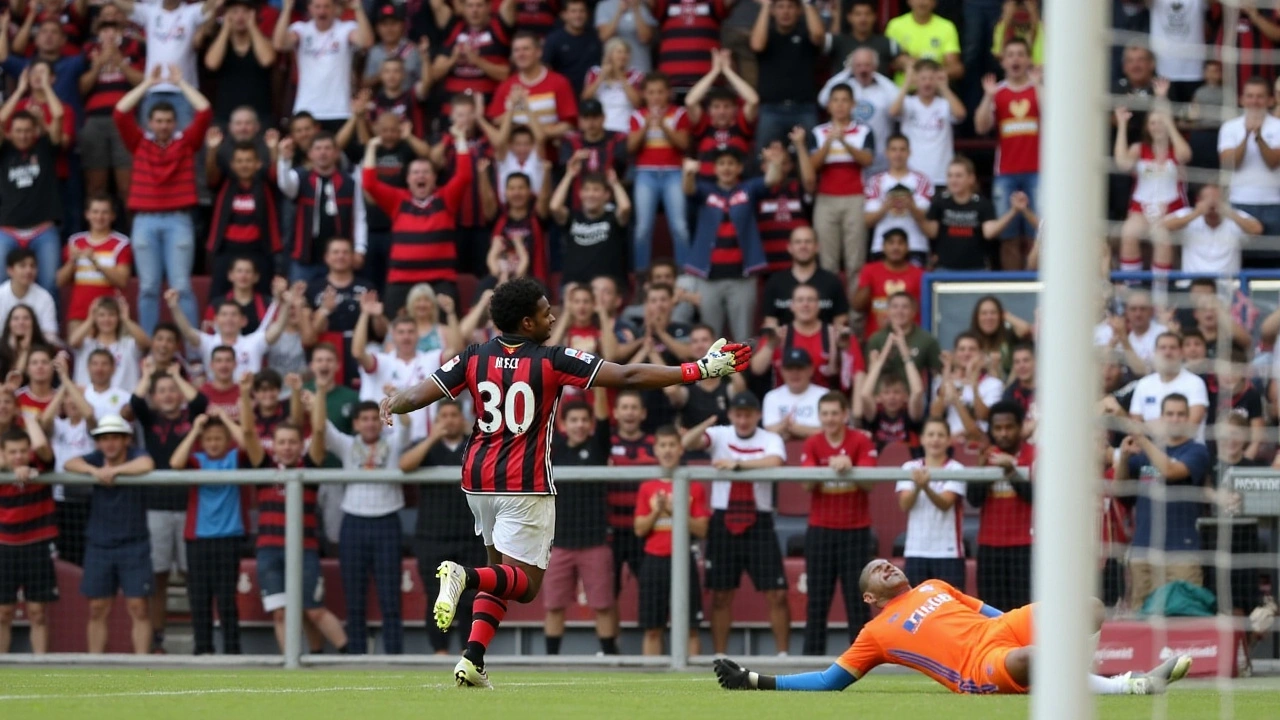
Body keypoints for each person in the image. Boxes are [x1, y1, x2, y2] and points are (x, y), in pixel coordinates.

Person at [380, 276, 752, 687]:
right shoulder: (551, 359)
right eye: (544, 312)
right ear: (526, 323)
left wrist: (393, 401)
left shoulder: (473, 356)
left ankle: (473, 658)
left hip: (477, 479)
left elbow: (420, 394)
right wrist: (696, 369)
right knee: (525, 586)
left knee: (500, 570)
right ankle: (462, 576)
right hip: (525, 483)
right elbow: (627, 376)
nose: (552, 316)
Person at [712, 559, 1194, 695]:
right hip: (976, 667)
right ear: (868, 597)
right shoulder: (875, 634)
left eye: (888, 563)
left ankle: (1068, 675)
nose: (886, 567)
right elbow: (828, 680)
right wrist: (756, 679)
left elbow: (988, 612)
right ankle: (1129, 686)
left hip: (1002, 629)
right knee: (1035, 659)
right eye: (876, 571)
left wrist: (1026, 623)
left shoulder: (934, 584)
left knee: (1087, 605)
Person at [680, 392, 789, 656]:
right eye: (738, 415)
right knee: (720, 594)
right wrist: (704, 425)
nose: (743, 420)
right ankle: (720, 655)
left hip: (758, 519)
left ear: (757, 415)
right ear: (731, 415)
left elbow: (775, 460)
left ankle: (783, 655)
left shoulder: (770, 438)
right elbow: (687, 441)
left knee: (777, 593)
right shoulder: (720, 434)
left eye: (748, 414)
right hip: (723, 519)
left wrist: (738, 465)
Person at [239, 394, 349, 654]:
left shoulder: (308, 468)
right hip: (269, 551)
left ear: (301, 445)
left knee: (314, 610)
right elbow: (246, 431)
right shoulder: (264, 467)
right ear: (274, 446)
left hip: (304, 550)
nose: (287, 447)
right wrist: (244, 395)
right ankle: (293, 665)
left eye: (292, 442)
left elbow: (320, 431)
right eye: (282, 442)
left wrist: (321, 392)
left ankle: (350, 655)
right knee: (280, 614)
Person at [310, 384, 411, 655]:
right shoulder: (346, 444)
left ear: (381, 421)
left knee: (390, 596)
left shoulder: (392, 443)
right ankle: (355, 657)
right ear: (355, 423)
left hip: (387, 522)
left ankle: (394, 657)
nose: (369, 423)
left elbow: (408, 426)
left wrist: (396, 398)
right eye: (363, 419)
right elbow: (321, 428)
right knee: (354, 597)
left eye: (373, 418)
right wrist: (319, 394)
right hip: (353, 523)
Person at [113, 65, 212, 333]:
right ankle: (149, 350)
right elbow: (120, 112)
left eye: (168, 121)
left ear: (175, 123)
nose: (163, 125)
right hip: (144, 221)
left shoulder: (186, 143)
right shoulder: (139, 143)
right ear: (149, 123)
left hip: (178, 220)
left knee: (181, 287)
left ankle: (193, 353)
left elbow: (204, 111)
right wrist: (147, 85)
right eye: (158, 121)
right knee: (147, 288)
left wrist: (181, 84)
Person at [65, 415, 157, 654]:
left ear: (126, 439)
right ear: (98, 442)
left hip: (134, 544)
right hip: (99, 544)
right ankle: (95, 667)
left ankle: (142, 668)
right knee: (97, 607)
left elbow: (147, 464)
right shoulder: (94, 459)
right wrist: (94, 471)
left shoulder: (137, 455)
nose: (110, 444)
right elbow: (70, 463)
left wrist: (114, 471)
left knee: (139, 607)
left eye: (115, 438)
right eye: (104, 439)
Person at [401, 400, 485, 655]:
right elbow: (405, 465)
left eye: (454, 415)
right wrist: (432, 437)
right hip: (432, 537)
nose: (449, 420)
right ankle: (440, 651)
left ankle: (467, 652)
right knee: (438, 597)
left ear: (463, 419)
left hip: (471, 536)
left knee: (470, 599)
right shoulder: (426, 447)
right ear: (437, 420)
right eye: (444, 415)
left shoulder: (475, 445)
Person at [361, 124, 472, 316]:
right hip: (401, 281)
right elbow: (369, 183)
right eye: (416, 173)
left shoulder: (446, 199)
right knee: (393, 330)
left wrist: (460, 139)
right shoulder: (397, 200)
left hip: (441, 280)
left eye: (425, 172)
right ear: (408, 180)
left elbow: (464, 175)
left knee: (448, 332)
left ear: (434, 178)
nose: (420, 176)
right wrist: (371, 147)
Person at [1115, 394, 1212, 609]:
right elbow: (1121, 490)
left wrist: (1143, 440)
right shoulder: (1145, 452)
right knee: (1140, 620)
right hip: (1143, 550)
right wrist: (1123, 457)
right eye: (1170, 414)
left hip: (1181, 552)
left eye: (1180, 414)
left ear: (1188, 419)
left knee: (1183, 617)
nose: (1175, 419)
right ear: (1161, 417)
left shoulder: (1197, 451)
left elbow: (1170, 471)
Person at [799, 392, 877, 656]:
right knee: (817, 603)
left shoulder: (861, 441)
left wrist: (851, 466)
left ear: (845, 415)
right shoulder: (812, 443)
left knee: (858, 603)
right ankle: (810, 663)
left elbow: (870, 482)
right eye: (825, 414)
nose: (830, 419)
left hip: (855, 532)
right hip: (820, 532)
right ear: (819, 417)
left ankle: (863, 660)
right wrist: (827, 470)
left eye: (835, 413)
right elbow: (806, 483)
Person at [168, 413, 250, 655]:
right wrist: (195, 430)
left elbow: (247, 442)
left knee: (227, 600)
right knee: (200, 599)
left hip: (229, 539)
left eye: (219, 439)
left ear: (227, 441)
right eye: (209, 439)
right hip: (198, 540)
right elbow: (175, 462)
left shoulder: (235, 457)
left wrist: (225, 419)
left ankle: (232, 652)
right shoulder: (197, 460)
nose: (214, 443)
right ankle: (202, 650)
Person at [543, 392, 617, 655]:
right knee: (553, 605)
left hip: (594, 541)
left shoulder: (599, 445)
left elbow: (603, 418)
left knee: (603, 604)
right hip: (559, 542)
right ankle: (551, 660)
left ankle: (610, 658)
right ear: (564, 424)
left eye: (584, 420)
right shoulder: (554, 448)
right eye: (574, 420)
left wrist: (596, 384)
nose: (580, 425)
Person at [680, 149, 778, 342]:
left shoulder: (748, 188)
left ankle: (742, 374)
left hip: (742, 277)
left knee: (743, 339)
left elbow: (771, 181)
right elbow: (688, 189)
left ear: (739, 168)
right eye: (722, 164)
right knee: (711, 340)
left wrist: (774, 162)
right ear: (715, 169)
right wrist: (689, 173)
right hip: (709, 278)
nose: (727, 168)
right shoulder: (705, 189)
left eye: (731, 163)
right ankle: (714, 374)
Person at [634, 424, 708, 656]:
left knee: (690, 629)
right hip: (654, 562)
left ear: (680, 449)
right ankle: (649, 687)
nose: (667, 450)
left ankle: (693, 687)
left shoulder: (694, 486)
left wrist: (675, 510)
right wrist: (658, 512)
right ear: (655, 450)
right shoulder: (647, 487)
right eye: (662, 445)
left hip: (684, 561)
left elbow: (702, 529)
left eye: (672, 445)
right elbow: (639, 529)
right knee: (652, 629)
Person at [974, 39, 1040, 270]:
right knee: (1008, 237)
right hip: (1006, 173)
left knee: (1039, 236)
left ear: (1029, 59)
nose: (1015, 59)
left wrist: (1038, 84)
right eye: (1010, 54)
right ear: (1003, 61)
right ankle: (1013, 287)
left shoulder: (1038, 89)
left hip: (1039, 173)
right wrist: (988, 96)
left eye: (1020, 54)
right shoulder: (998, 92)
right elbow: (981, 127)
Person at [968, 402, 1036, 612]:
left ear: (1020, 427)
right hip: (990, 546)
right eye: (998, 428)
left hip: (1025, 545)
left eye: (1009, 427)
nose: (1004, 433)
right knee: (992, 613)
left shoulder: (1035, 455)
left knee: (1025, 611)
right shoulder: (987, 456)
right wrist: (982, 469)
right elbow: (974, 500)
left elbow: (1036, 497)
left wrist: (1012, 471)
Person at [1114, 91, 1191, 274]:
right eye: (1153, 123)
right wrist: (1122, 125)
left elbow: (1186, 155)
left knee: (1161, 237)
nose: (1157, 127)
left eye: (1161, 122)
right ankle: (1131, 286)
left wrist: (1169, 122)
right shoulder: (1139, 148)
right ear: (1147, 127)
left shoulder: (1176, 149)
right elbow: (1122, 163)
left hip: (1171, 208)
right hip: (1141, 207)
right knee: (1128, 232)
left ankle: (1160, 293)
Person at [277, 134, 367, 286]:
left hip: (339, 258)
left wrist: (360, 248)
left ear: (336, 153)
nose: (323, 153)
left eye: (327, 148)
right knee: (300, 302)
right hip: (305, 257)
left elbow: (359, 216)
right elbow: (286, 186)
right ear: (310, 154)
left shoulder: (350, 181)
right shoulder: (300, 177)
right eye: (318, 149)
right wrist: (284, 161)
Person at [0, 88, 65, 299]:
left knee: (49, 285)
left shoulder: (44, 148)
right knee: (2, 285)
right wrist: (19, 91)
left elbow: (59, 115)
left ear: (35, 131)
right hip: (8, 230)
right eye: (18, 130)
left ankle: (50, 332)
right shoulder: (4, 151)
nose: (23, 135)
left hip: (43, 230)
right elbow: (1, 118)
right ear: (10, 132)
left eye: (28, 130)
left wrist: (46, 87)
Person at [273, 0, 373, 130]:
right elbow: (279, 44)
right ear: (310, 9)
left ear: (334, 9)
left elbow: (366, 42)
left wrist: (358, 9)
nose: (322, 11)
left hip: (340, 109)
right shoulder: (301, 29)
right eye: (317, 7)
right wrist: (286, 9)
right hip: (306, 109)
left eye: (326, 6)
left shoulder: (345, 28)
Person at [0, 425, 56, 654]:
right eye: (12, 452)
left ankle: (41, 671)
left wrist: (30, 418)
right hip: (4, 548)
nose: (18, 456)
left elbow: (42, 447)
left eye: (23, 451)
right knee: (3, 614)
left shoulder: (41, 467)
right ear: (3, 453)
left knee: (37, 613)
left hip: (37, 547)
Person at [628, 72, 691, 271]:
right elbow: (631, 148)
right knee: (642, 229)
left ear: (669, 94)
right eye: (651, 92)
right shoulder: (637, 116)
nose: (656, 97)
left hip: (673, 173)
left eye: (660, 92)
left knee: (679, 227)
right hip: (646, 174)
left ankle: (684, 273)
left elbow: (683, 144)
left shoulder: (679, 113)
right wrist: (646, 126)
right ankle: (641, 275)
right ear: (644, 94)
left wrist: (663, 124)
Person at [810, 83, 873, 277]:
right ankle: (830, 306)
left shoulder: (864, 131)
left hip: (856, 198)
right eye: (835, 100)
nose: (840, 105)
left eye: (845, 100)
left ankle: (854, 308)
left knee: (856, 260)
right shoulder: (818, 132)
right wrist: (829, 142)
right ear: (828, 105)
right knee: (827, 261)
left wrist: (844, 141)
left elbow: (867, 160)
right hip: (826, 200)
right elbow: (812, 165)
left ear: (853, 104)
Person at [748, 0, 823, 159]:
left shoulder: (805, 34)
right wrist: (766, 6)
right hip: (771, 109)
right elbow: (756, 45)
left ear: (798, 11)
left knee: (812, 157)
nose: (785, 12)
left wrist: (807, 3)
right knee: (763, 159)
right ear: (774, 11)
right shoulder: (766, 34)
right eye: (780, 7)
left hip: (804, 108)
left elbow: (818, 36)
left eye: (790, 7)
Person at [1217, 76, 1280, 253]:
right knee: (1241, 259)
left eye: (1260, 96)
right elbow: (1230, 163)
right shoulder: (1230, 127)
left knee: (1274, 261)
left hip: (1274, 204)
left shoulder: (1278, 126)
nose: (1255, 101)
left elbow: (1273, 162)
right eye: (1250, 96)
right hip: (1239, 203)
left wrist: (1259, 136)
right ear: (1242, 99)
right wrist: (1246, 135)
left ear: (1270, 100)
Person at [58, 197, 133, 337]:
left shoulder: (121, 243)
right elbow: (60, 281)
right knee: (78, 357)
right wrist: (72, 261)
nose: (99, 217)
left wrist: (96, 262)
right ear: (87, 214)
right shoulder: (75, 241)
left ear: (113, 216)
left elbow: (122, 280)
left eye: (105, 212)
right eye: (95, 212)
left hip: (111, 315)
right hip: (79, 313)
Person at [890, 59, 964, 189]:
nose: (927, 82)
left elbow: (960, 114)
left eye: (931, 78)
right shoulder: (908, 103)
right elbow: (893, 112)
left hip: (941, 175)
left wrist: (944, 88)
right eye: (923, 78)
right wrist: (907, 83)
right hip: (912, 176)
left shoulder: (944, 104)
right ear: (916, 80)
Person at [862, 138, 934, 269]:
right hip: (882, 245)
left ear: (909, 152)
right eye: (893, 150)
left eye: (902, 149)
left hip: (915, 244)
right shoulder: (875, 181)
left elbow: (925, 217)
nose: (898, 154)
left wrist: (910, 205)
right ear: (886, 153)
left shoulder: (922, 180)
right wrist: (886, 207)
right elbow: (867, 221)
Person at [204, 0, 275, 128]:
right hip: (226, 116)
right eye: (235, 12)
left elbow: (267, 60)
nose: (240, 17)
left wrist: (253, 27)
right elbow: (211, 64)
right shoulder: (220, 42)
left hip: (259, 116)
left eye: (245, 12)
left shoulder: (262, 41)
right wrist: (225, 29)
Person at [1164, 184, 1262, 275]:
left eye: (1217, 199)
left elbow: (1256, 229)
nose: (1212, 204)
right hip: (1193, 286)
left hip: (1227, 287)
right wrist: (1196, 213)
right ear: (1198, 201)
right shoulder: (1188, 214)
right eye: (1207, 200)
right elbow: (1164, 226)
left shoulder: (1234, 216)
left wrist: (1229, 213)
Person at [761, 227, 848, 330]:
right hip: (784, 343)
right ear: (790, 248)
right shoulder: (775, 282)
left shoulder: (832, 281)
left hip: (824, 344)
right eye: (798, 242)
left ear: (817, 247)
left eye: (808, 242)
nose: (803, 246)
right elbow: (770, 322)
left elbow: (840, 321)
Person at [1128, 332, 1209, 441]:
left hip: (1187, 450)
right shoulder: (1143, 384)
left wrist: (1152, 426)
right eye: (1162, 348)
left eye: (1173, 348)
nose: (1167, 352)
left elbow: (1191, 427)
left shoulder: (1195, 383)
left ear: (1181, 352)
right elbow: (1136, 426)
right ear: (1155, 353)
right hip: (1151, 450)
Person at [854, 230, 925, 340]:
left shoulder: (919, 274)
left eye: (900, 243)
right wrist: (867, 282)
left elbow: (924, 308)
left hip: (911, 338)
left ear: (908, 247)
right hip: (876, 338)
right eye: (891, 243)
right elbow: (857, 306)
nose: (896, 247)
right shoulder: (870, 270)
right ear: (883, 247)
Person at [883, 0, 963, 83]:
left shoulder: (947, 27)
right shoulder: (895, 25)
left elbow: (955, 68)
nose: (922, 2)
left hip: (935, 92)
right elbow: (889, 61)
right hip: (903, 91)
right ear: (909, 1)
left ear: (935, 2)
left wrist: (927, 74)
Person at [761, 348, 825, 441]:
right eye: (789, 368)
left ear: (811, 370)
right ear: (782, 371)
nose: (794, 373)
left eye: (800, 368)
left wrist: (792, 428)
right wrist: (809, 431)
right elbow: (769, 431)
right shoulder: (771, 397)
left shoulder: (824, 395)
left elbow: (828, 431)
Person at [543, 0, 601, 96]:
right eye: (573, 11)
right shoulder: (554, 39)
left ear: (587, 14)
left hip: (591, 94)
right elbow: (546, 67)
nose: (578, 15)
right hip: (563, 94)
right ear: (564, 15)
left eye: (581, 11)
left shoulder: (594, 37)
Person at [0, 249, 60, 343]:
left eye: (32, 266)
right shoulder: (1, 295)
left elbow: (50, 336)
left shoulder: (45, 298)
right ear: (10, 270)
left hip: (34, 349)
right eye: (22, 266)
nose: (28, 270)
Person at [595, 0, 657, 73]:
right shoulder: (604, 6)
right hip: (614, 70)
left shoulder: (643, 5)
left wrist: (636, 9)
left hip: (640, 67)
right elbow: (604, 36)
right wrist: (619, 12)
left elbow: (645, 38)